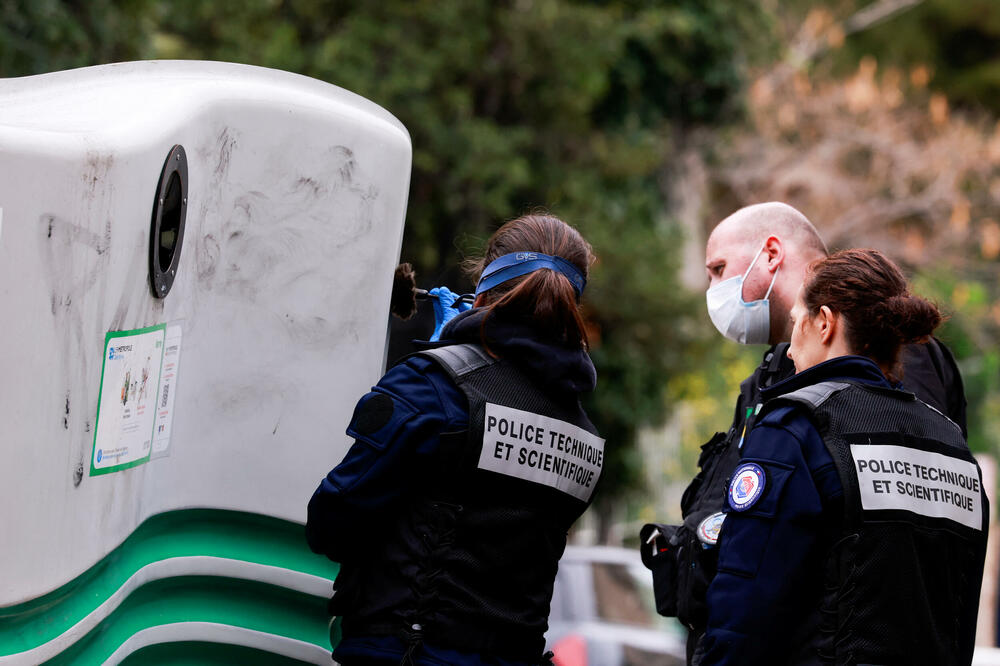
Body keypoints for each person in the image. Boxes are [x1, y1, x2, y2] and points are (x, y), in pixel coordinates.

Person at [641, 202, 968, 661]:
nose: (712, 289)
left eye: (718, 270)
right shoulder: (770, 381)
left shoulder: (836, 397)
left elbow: (895, 557)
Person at [306, 214, 605, 666]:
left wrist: (441, 362)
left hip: (405, 652)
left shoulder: (433, 388)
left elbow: (331, 522)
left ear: (482, 290)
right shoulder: (584, 433)